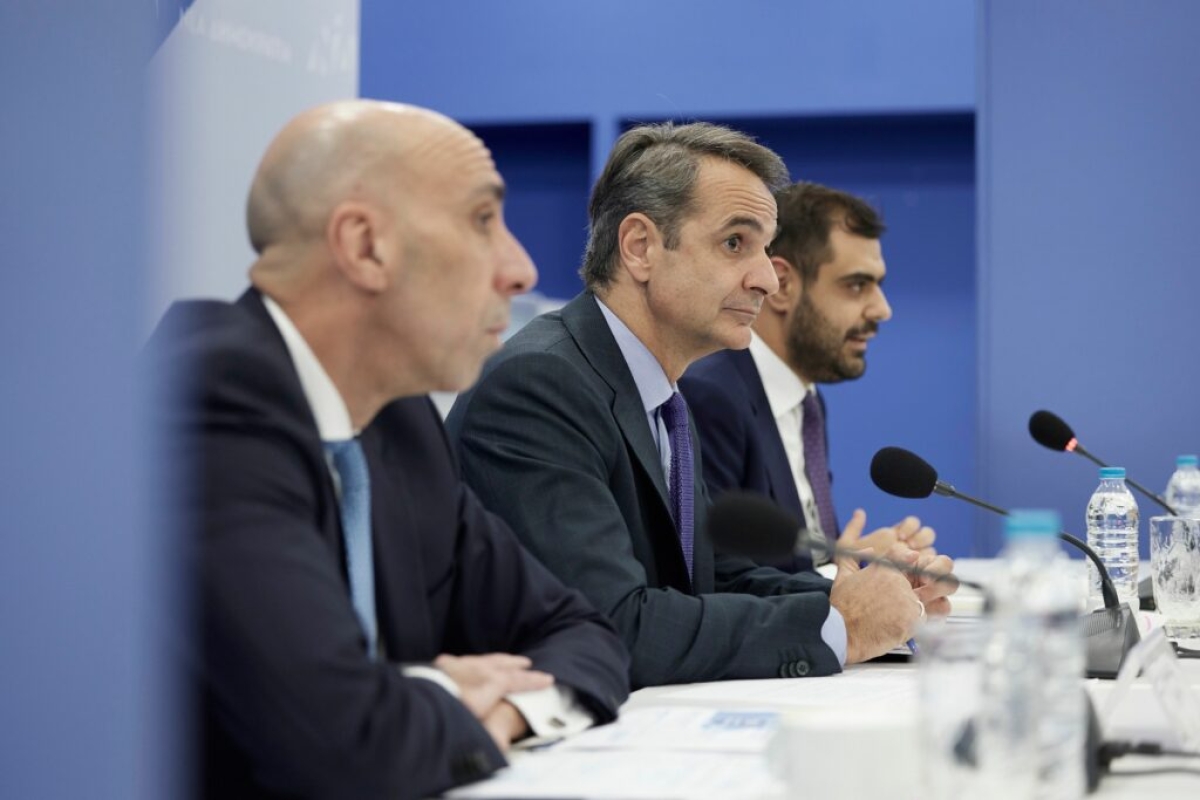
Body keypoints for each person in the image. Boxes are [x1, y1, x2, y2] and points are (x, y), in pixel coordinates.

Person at [145, 100, 629, 800]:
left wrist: (502, 710)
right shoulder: (208, 398)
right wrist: (444, 692)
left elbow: (582, 629)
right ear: (365, 246)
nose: (522, 270)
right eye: (482, 220)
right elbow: (343, 748)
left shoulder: (400, 420)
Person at [445, 122, 955, 689]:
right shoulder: (542, 384)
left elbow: (711, 579)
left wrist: (863, 594)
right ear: (640, 247)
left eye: (766, 248)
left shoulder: (661, 394)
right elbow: (609, 624)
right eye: (735, 243)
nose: (765, 279)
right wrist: (842, 626)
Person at [681, 182, 935, 572]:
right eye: (856, 285)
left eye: (878, 285)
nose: (882, 310)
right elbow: (722, 580)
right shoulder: (712, 397)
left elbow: (798, 564)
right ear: (782, 286)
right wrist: (843, 578)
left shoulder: (806, 402)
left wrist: (861, 561)